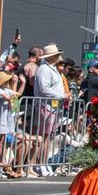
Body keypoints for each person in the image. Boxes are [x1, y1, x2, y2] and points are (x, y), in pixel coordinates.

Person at [33, 44, 67, 177]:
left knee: (49, 136)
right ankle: (40, 164)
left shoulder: (51, 69)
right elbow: (44, 89)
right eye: (57, 54)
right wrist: (61, 96)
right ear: (52, 56)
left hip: (53, 106)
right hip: (46, 105)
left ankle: (44, 162)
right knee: (44, 136)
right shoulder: (44, 69)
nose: (59, 56)